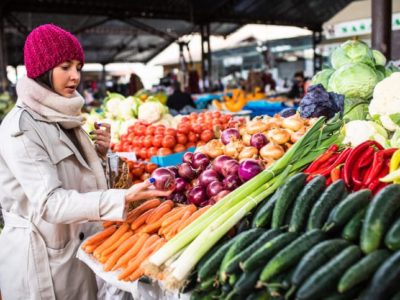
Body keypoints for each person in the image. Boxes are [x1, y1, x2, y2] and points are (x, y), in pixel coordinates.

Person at [0, 24, 170, 300]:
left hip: (75, 248)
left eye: (78, 67)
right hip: (43, 261)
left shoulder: (63, 115)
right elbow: (49, 203)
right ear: (43, 70)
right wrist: (120, 199)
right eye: (65, 67)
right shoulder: (21, 128)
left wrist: (100, 156)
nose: (75, 76)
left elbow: (78, 180)